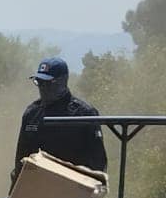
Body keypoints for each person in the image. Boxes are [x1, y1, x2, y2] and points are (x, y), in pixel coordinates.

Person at [11, 56, 107, 186]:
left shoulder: (84, 114)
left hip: (73, 192)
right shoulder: (32, 114)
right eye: (39, 82)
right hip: (37, 192)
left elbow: (98, 162)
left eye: (48, 83)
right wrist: (13, 194)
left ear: (63, 81)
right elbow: (21, 161)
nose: (42, 88)